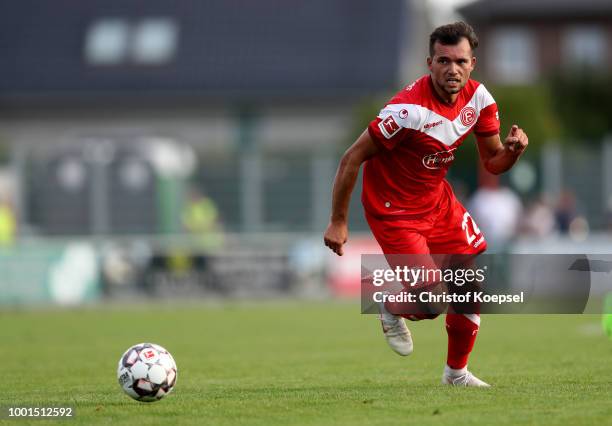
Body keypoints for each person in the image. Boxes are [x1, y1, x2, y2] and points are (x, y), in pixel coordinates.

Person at [323, 22, 528, 387]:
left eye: (460, 61)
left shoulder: (480, 99)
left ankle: (456, 374)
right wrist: (338, 221)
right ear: (429, 63)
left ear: (473, 63)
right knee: (432, 303)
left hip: (437, 202)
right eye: (444, 61)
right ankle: (389, 305)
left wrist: (511, 153)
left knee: (468, 287)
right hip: (395, 211)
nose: (453, 69)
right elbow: (351, 159)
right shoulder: (406, 112)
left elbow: (492, 161)